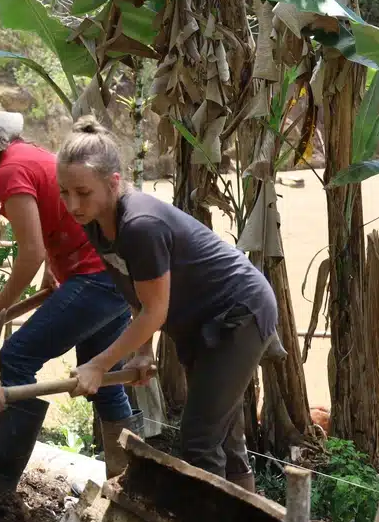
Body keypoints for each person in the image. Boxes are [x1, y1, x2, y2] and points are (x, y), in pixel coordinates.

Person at [0, 93, 145, 494]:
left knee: (16, 356)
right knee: (106, 381)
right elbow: (50, 233)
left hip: (94, 278)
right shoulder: (25, 156)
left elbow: (31, 250)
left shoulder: (9, 172)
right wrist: (50, 274)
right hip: (110, 277)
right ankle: (127, 489)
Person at [56, 119, 281, 491]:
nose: (72, 204)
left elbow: (155, 312)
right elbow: (137, 296)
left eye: (82, 192)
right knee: (223, 435)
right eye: (64, 193)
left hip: (237, 313)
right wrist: (142, 353)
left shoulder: (140, 226)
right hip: (198, 321)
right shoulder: (96, 224)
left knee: (199, 439)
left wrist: (99, 364)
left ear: (113, 183)